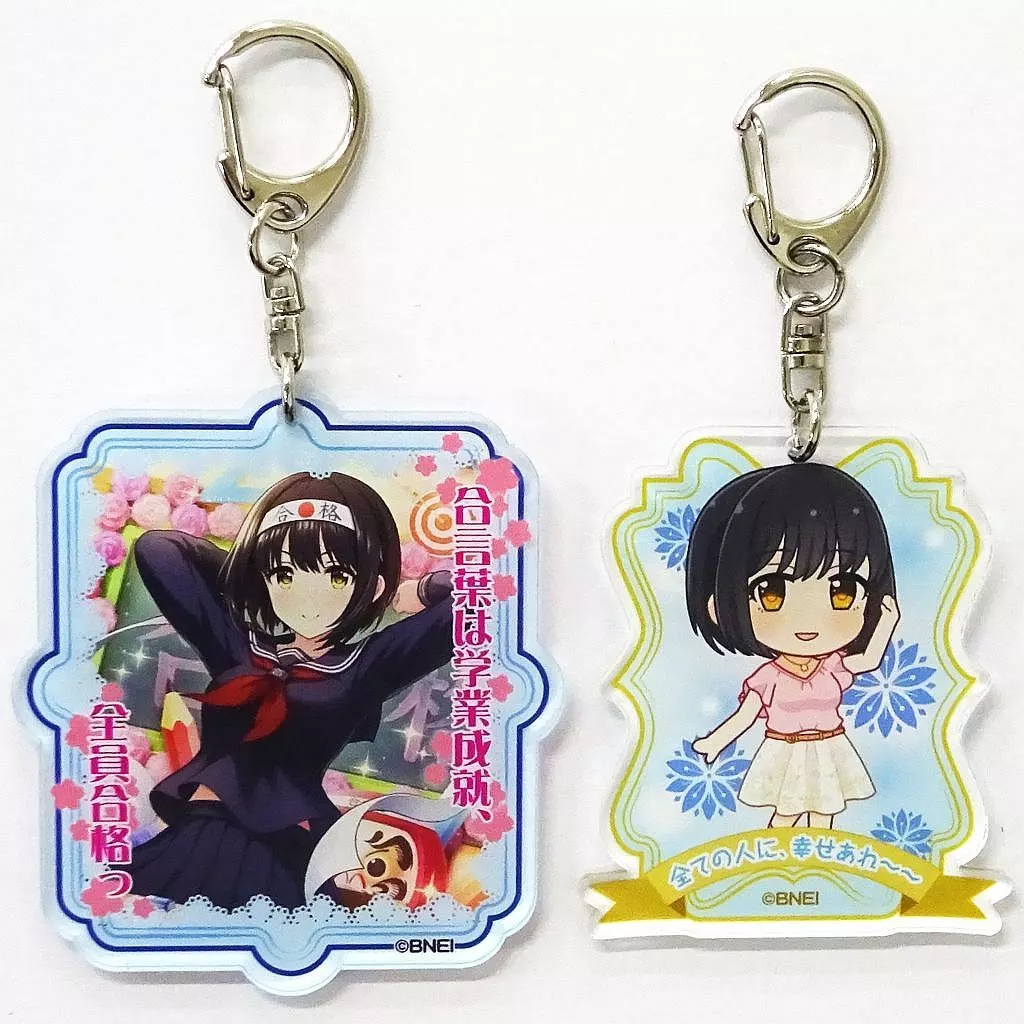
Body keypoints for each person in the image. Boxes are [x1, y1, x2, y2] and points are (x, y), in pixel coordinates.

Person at [127, 471, 453, 909]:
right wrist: (251, 572)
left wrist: (420, 588)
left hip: (284, 848)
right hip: (202, 830)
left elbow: (478, 601)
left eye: (335, 576)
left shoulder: (363, 667)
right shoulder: (238, 646)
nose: (306, 597)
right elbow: (158, 550)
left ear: (371, 585)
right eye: (285, 575)